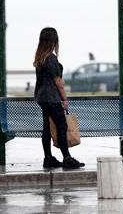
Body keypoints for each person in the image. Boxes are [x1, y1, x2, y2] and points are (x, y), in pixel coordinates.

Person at [33, 27, 84, 169]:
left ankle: (48, 158)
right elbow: (57, 82)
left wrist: (59, 82)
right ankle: (67, 158)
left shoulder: (40, 58)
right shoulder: (51, 58)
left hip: (42, 97)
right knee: (62, 126)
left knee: (47, 129)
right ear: (54, 41)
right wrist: (65, 99)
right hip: (52, 98)